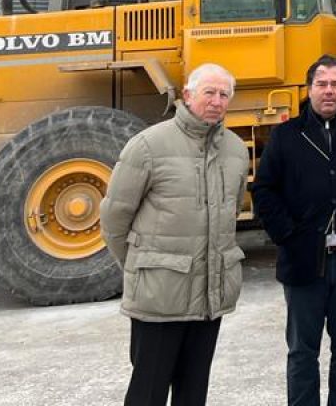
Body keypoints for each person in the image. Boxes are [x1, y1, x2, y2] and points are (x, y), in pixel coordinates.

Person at [100, 62, 249, 406]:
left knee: (193, 394)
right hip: (160, 299)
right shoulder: (148, 146)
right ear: (187, 95)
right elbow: (114, 218)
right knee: (147, 393)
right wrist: (144, 267)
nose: (216, 101)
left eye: (224, 94)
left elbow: (231, 211)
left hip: (209, 298)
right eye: (208, 92)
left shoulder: (236, 151)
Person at [252, 55, 336, 406]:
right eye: (322, 84)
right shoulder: (285, 136)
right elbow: (264, 191)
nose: (329, 91)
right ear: (309, 88)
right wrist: (288, 234)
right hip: (303, 264)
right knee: (301, 352)